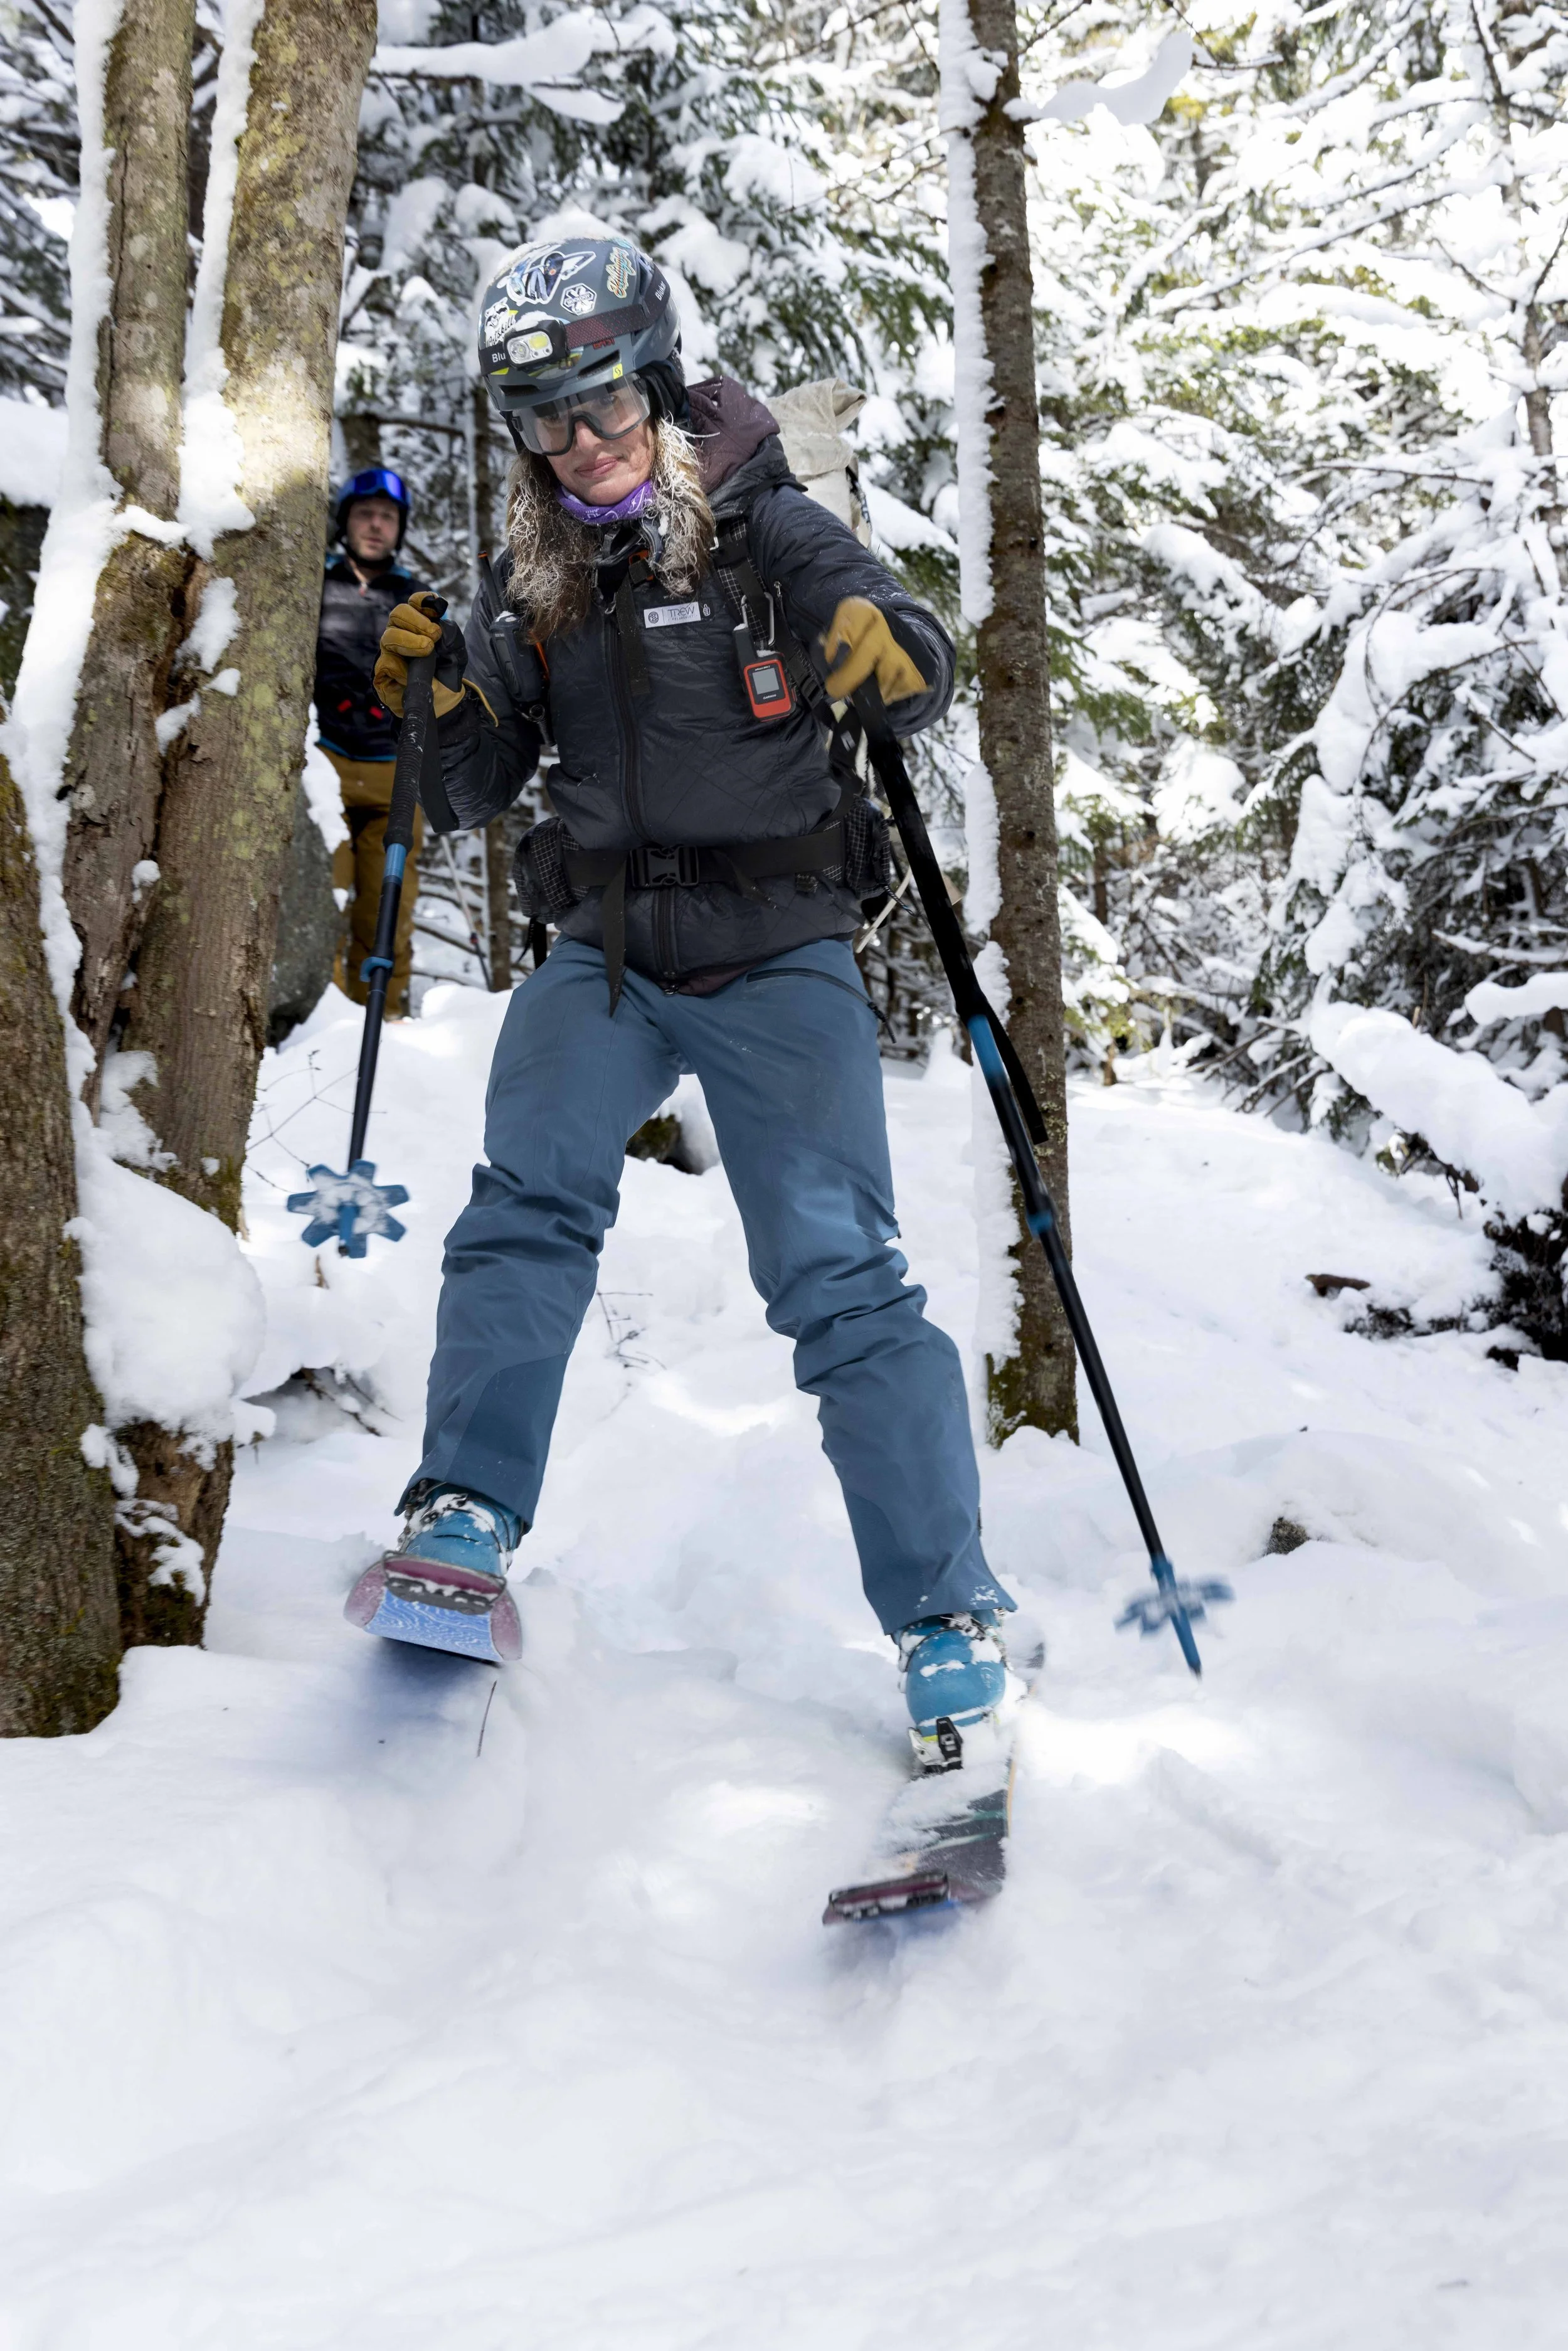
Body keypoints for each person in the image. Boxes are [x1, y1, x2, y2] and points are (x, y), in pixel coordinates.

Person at [358, 237, 1016, 1749]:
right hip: (601, 952)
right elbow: (465, 792)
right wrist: (435, 703)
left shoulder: (768, 526)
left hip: (777, 946)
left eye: (602, 404)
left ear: (653, 387)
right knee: (524, 1204)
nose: (580, 441)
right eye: (546, 418)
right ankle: (462, 1512)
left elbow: (912, 658)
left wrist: (892, 654)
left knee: (839, 1278)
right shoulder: (534, 574)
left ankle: (945, 1613)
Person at [314, 467, 429, 1016]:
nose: (377, 525)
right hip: (324, 763)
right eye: (365, 514)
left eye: (388, 516)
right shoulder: (313, 581)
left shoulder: (416, 599)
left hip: (393, 769)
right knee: (325, 897)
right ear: (345, 522)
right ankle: (321, 1021)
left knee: (388, 904)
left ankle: (383, 1016)